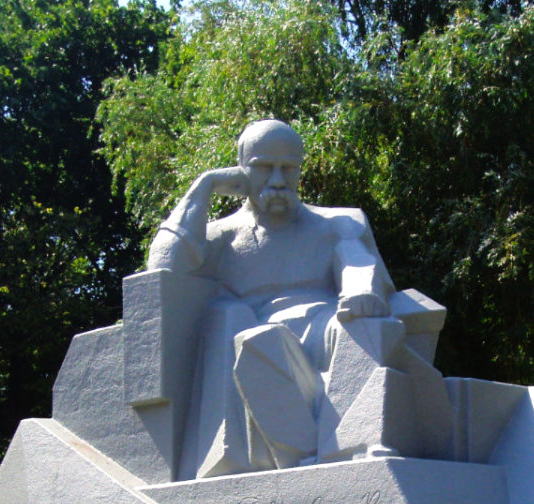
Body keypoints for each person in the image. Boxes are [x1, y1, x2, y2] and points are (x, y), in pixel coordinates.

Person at [147, 119, 397, 477]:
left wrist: (361, 291)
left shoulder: (338, 222)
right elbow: (162, 269)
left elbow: (357, 262)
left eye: (288, 168)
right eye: (264, 167)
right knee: (258, 343)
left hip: (326, 325)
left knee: (367, 325)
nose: (278, 181)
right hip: (261, 336)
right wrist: (205, 186)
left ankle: (356, 444)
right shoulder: (221, 237)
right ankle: (305, 453)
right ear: (241, 169)